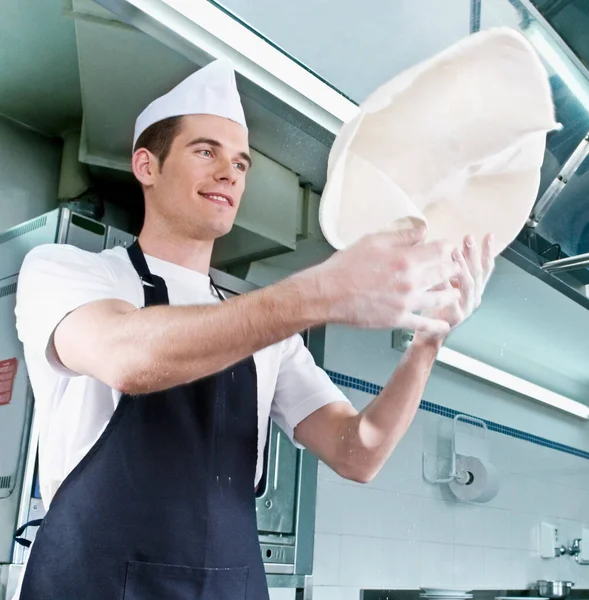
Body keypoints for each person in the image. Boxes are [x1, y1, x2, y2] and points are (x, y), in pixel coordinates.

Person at [13, 59, 494, 599]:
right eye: (205, 151)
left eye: (241, 164)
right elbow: (128, 357)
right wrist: (321, 290)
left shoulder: (272, 334)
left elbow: (358, 453)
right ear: (146, 165)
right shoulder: (70, 272)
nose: (229, 174)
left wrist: (429, 342)